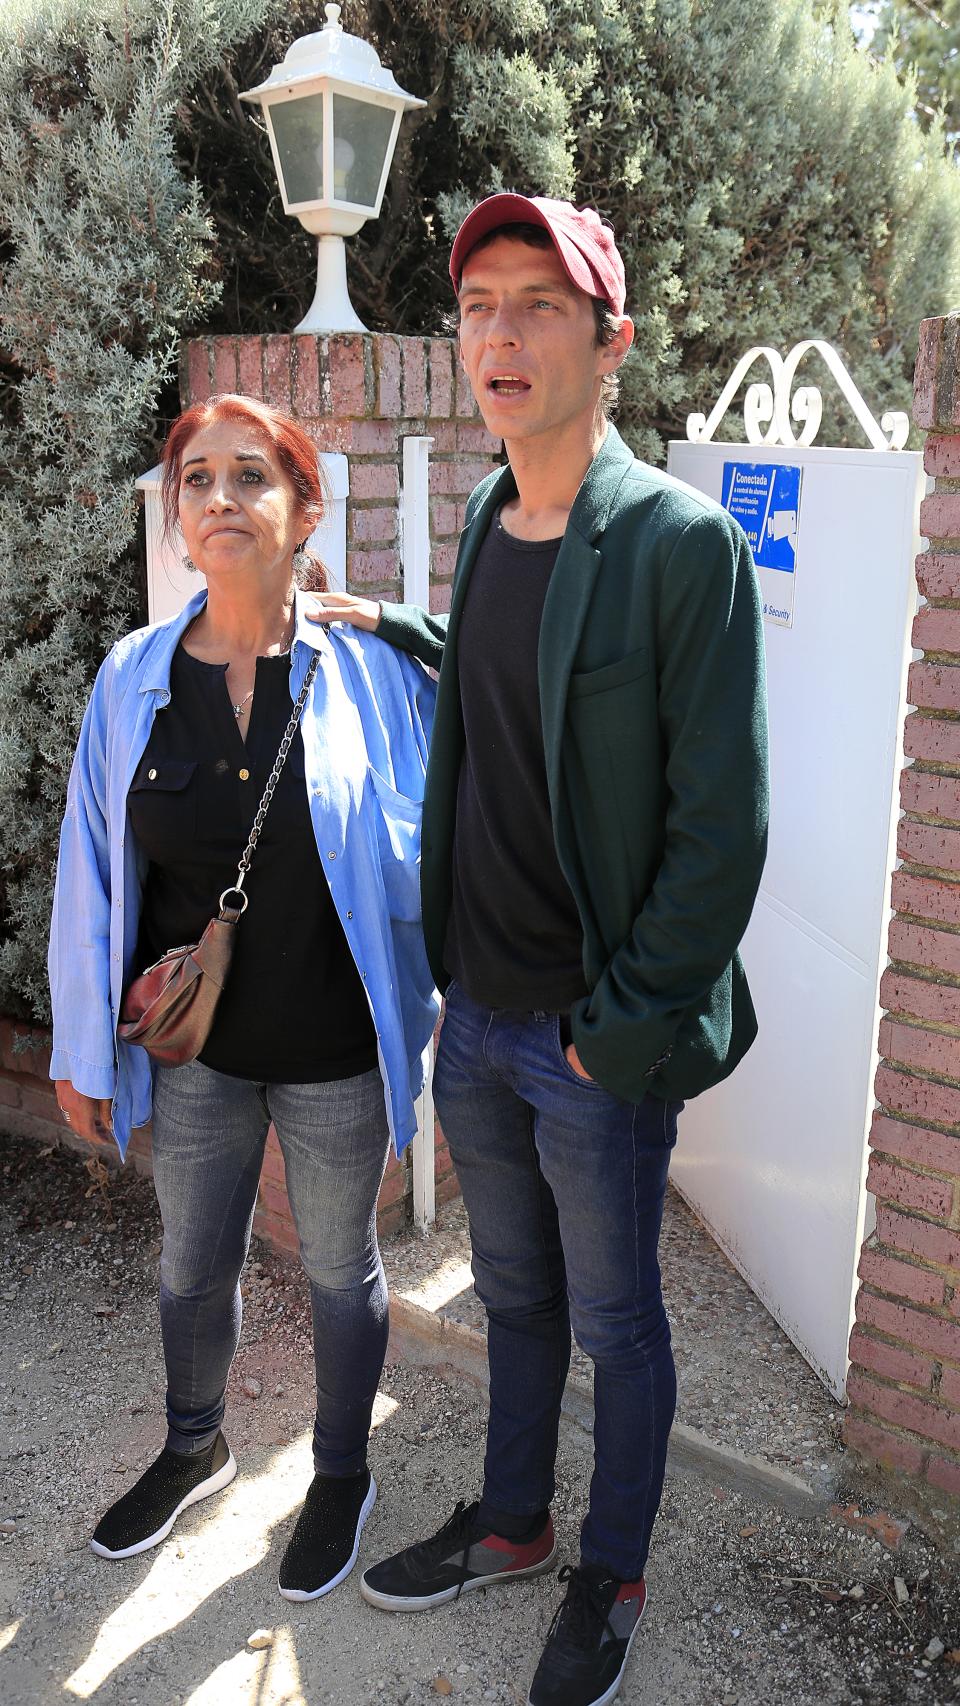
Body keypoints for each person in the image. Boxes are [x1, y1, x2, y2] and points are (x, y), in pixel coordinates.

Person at [309, 195, 768, 1705]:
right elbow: (515, 670)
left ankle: (613, 1568)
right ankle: (514, 1518)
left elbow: (722, 835)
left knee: (619, 1322)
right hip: (483, 1012)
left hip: (595, 1038)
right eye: (478, 308)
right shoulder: (491, 520)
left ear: (610, 341)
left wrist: (616, 1031)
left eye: (539, 306)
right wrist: (390, 618)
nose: (499, 335)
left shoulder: (682, 546)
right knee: (513, 1296)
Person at [48, 394, 438, 1602]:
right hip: (199, 1055)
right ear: (178, 513)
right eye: (198, 478)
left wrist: (402, 620)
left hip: (335, 1051)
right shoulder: (132, 676)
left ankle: (340, 1473)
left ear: (305, 509)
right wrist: (80, 1044)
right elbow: (90, 869)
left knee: (339, 1266)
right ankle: (194, 1445)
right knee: (189, 1263)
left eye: (252, 475)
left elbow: (487, 716)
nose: (222, 496)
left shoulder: (366, 668)